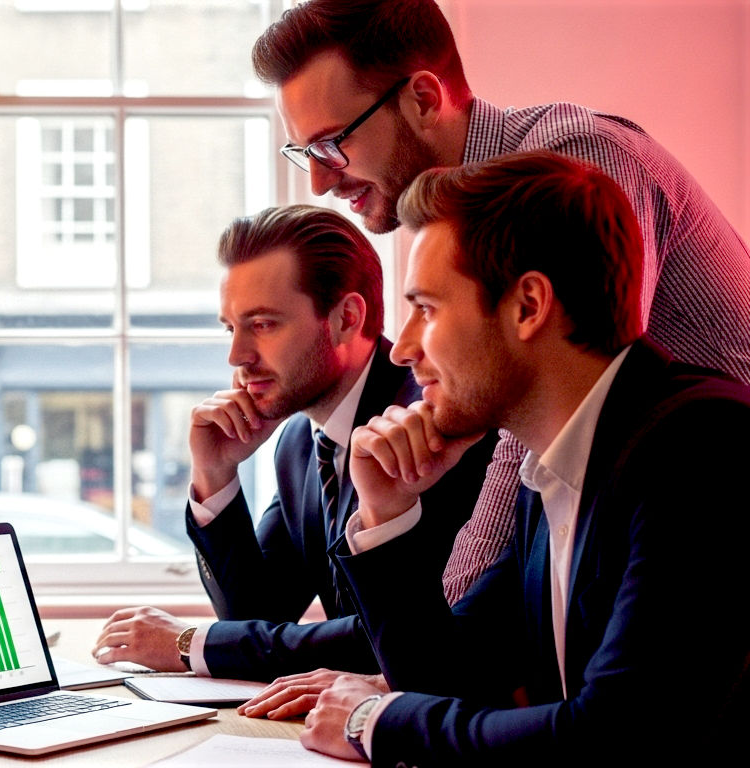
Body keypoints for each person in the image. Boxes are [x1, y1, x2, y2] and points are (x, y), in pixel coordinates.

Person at [254, 0, 750, 607]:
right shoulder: (450, 217)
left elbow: (560, 402)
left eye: (332, 145)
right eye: (305, 154)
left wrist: (430, 656)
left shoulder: (573, 166)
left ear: (424, 99)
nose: (320, 184)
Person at [299, 151, 750, 765]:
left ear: (528, 305)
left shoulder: (702, 443)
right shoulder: (550, 472)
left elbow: (614, 736)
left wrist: (374, 723)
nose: (401, 350)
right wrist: (388, 514)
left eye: (426, 308)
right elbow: (452, 680)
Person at [91, 205, 493, 710]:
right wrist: (214, 474)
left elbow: (403, 629)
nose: (237, 356)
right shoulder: (301, 441)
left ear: (346, 319)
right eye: (230, 328)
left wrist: (189, 643)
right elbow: (258, 612)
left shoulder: (431, 420)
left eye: (262, 325)